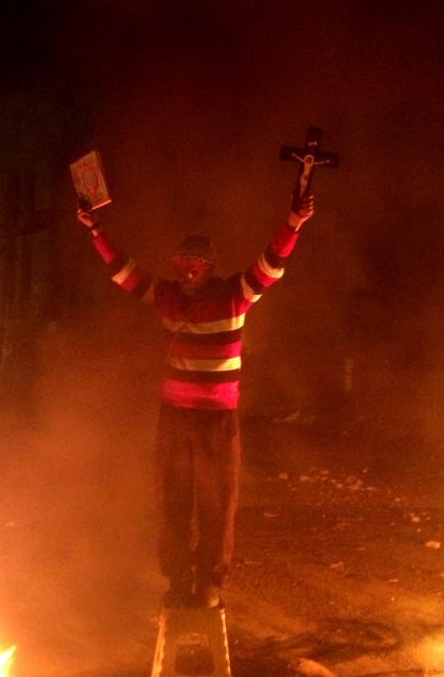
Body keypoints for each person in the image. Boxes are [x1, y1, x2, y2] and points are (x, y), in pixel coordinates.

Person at [76, 184, 315, 609]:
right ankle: (177, 580)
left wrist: (293, 223)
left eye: (194, 269)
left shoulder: (234, 296)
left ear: (209, 270)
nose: (186, 275)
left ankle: (209, 583)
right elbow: (124, 272)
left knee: (216, 505)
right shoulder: (166, 297)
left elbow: (271, 265)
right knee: (172, 502)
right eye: (181, 267)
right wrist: (96, 229)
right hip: (174, 419)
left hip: (217, 422)